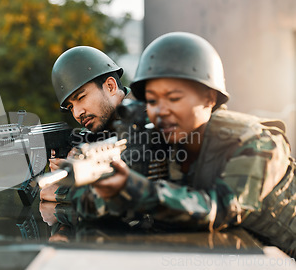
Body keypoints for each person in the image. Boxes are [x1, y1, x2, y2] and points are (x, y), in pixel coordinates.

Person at [73, 32, 295, 256]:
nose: (161, 110)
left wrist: (136, 189)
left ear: (209, 98)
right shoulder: (162, 143)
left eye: (174, 98)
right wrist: (101, 186)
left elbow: (219, 212)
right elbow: (108, 216)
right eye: (152, 100)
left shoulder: (256, 142)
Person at [40, 46, 130, 202]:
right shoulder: (98, 130)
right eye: (70, 107)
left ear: (110, 87)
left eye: (81, 97)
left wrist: (67, 190)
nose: (76, 113)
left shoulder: (148, 123)